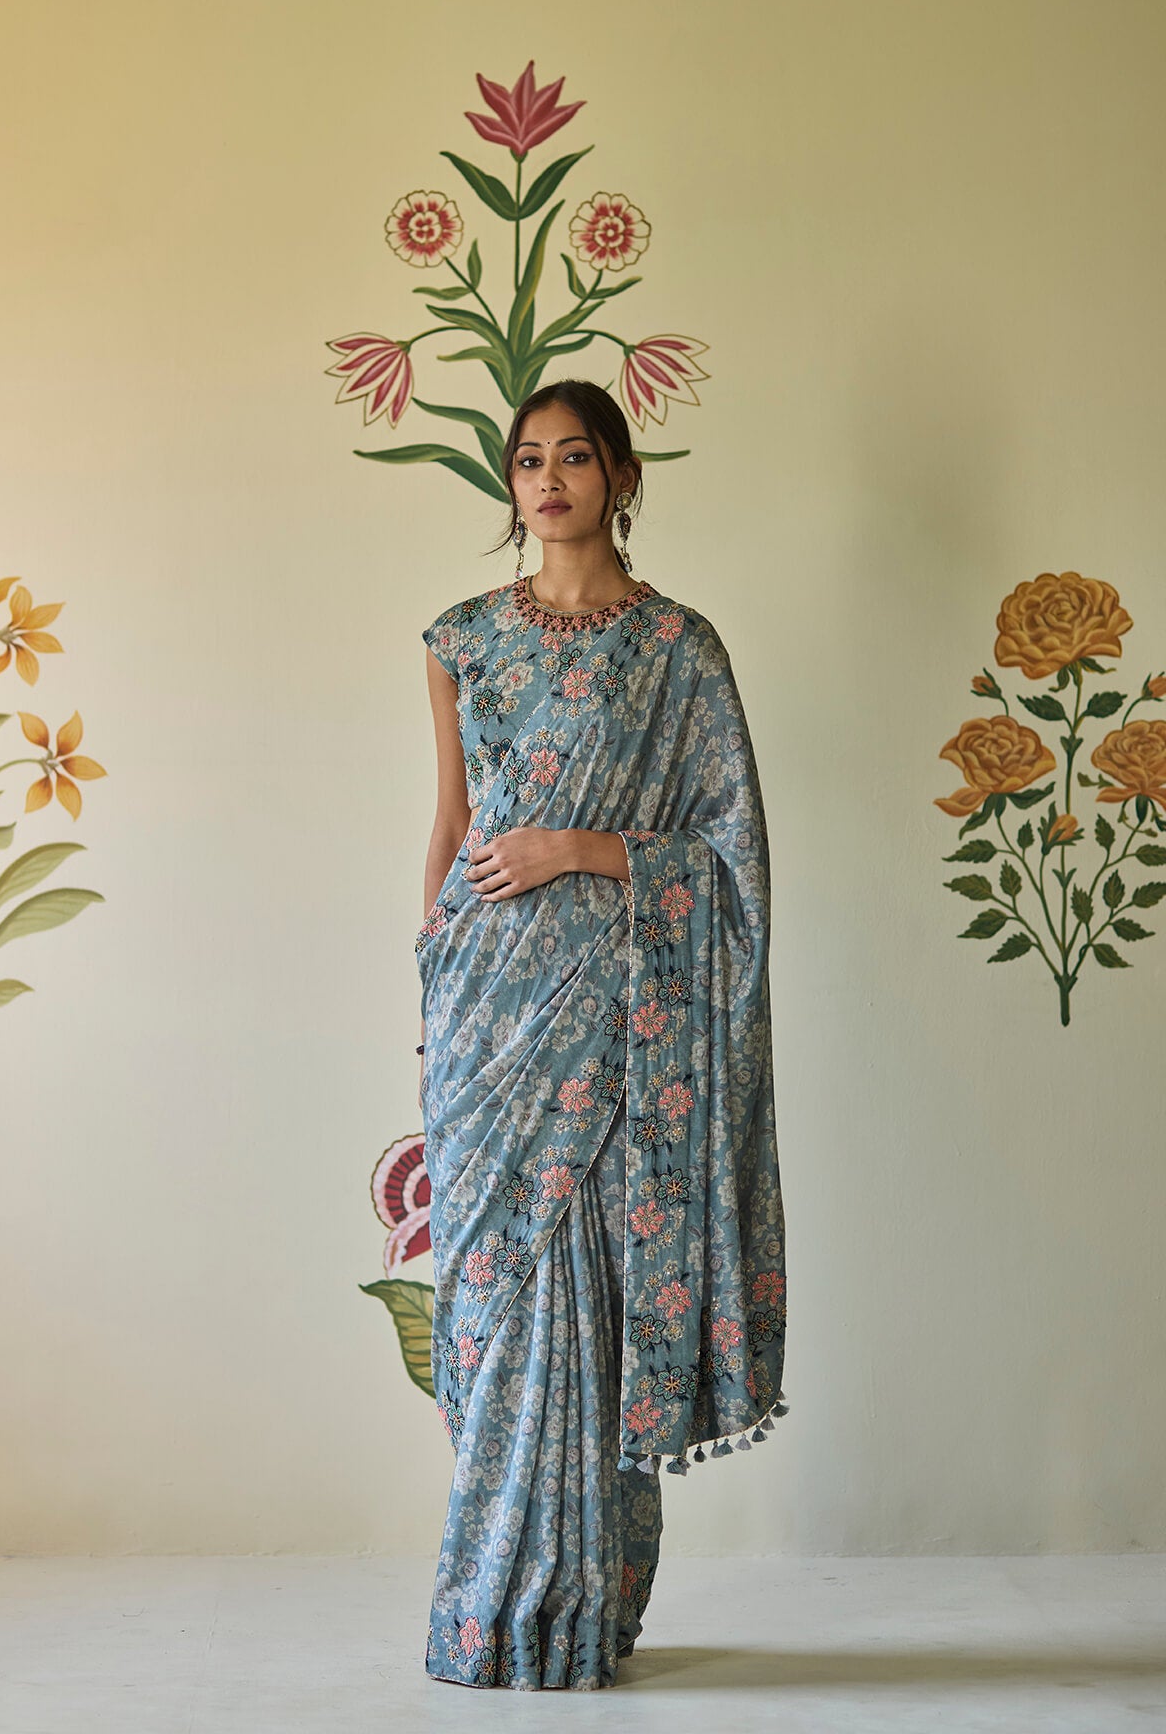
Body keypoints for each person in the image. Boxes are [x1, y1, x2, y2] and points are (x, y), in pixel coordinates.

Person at [415, 378, 788, 1691]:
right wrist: (432, 975)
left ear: (622, 477)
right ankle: (494, 1598)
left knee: (587, 1290)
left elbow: (730, 867)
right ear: (509, 486)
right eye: (529, 460)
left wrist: (579, 848)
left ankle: (567, 1609)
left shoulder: (682, 652)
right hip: (486, 1010)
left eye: (577, 456)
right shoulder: (460, 640)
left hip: (619, 1015)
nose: (552, 478)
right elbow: (454, 831)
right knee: (483, 1305)